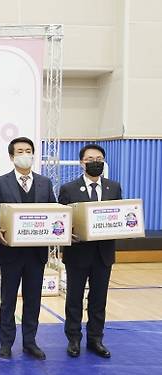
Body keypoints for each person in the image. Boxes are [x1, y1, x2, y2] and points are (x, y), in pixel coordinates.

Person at [0, 136, 56, 360]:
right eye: (20, 151)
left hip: (36, 252)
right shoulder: (1, 182)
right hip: (10, 252)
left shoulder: (45, 183)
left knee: (33, 299)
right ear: (11, 156)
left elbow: (55, 212)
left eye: (28, 151)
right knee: (8, 300)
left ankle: (30, 342)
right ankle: (6, 343)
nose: (25, 155)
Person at [59, 144, 121, 359]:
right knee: (74, 299)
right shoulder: (68, 189)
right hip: (78, 253)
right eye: (90, 159)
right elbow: (62, 221)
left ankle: (96, 339)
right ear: (81, 163)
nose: (95, 162)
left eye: (99, 159)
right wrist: (68, 234)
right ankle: (73, 339)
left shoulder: (114, 187)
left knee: (98, 299)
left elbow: (119, 216)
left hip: (104, 254)